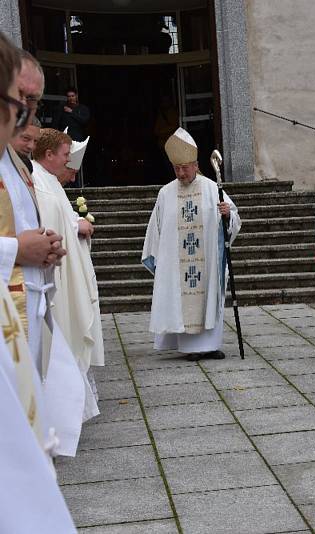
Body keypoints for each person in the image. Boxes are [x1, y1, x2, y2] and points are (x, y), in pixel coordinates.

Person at [0, 32, 77, 533]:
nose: (26, 113)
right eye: (17, 100)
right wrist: (15, 250)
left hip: (27, 299)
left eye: (32, 101)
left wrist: (45, 246)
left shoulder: (15, 159)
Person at [142, 127, 240, 361]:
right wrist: (157, 256)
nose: (181, 173)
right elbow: (156, 228)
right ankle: (190, 348)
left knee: (209, 296)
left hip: (206, 260)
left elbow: (233, 218)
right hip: (177, 262)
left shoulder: (211, 188)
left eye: (185, 168)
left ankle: (210, 345)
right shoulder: (165, 193)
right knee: (181, 297)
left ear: (196, 165)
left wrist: (228, 215)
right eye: (177, 168)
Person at [33, 129, 103, 426]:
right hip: (54, 279)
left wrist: (75, 225)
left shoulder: (48, 181)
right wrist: (77, 227)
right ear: (49, 155)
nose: (68, 162)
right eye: (65, 155)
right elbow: (48, 225)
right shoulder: (39, 182)